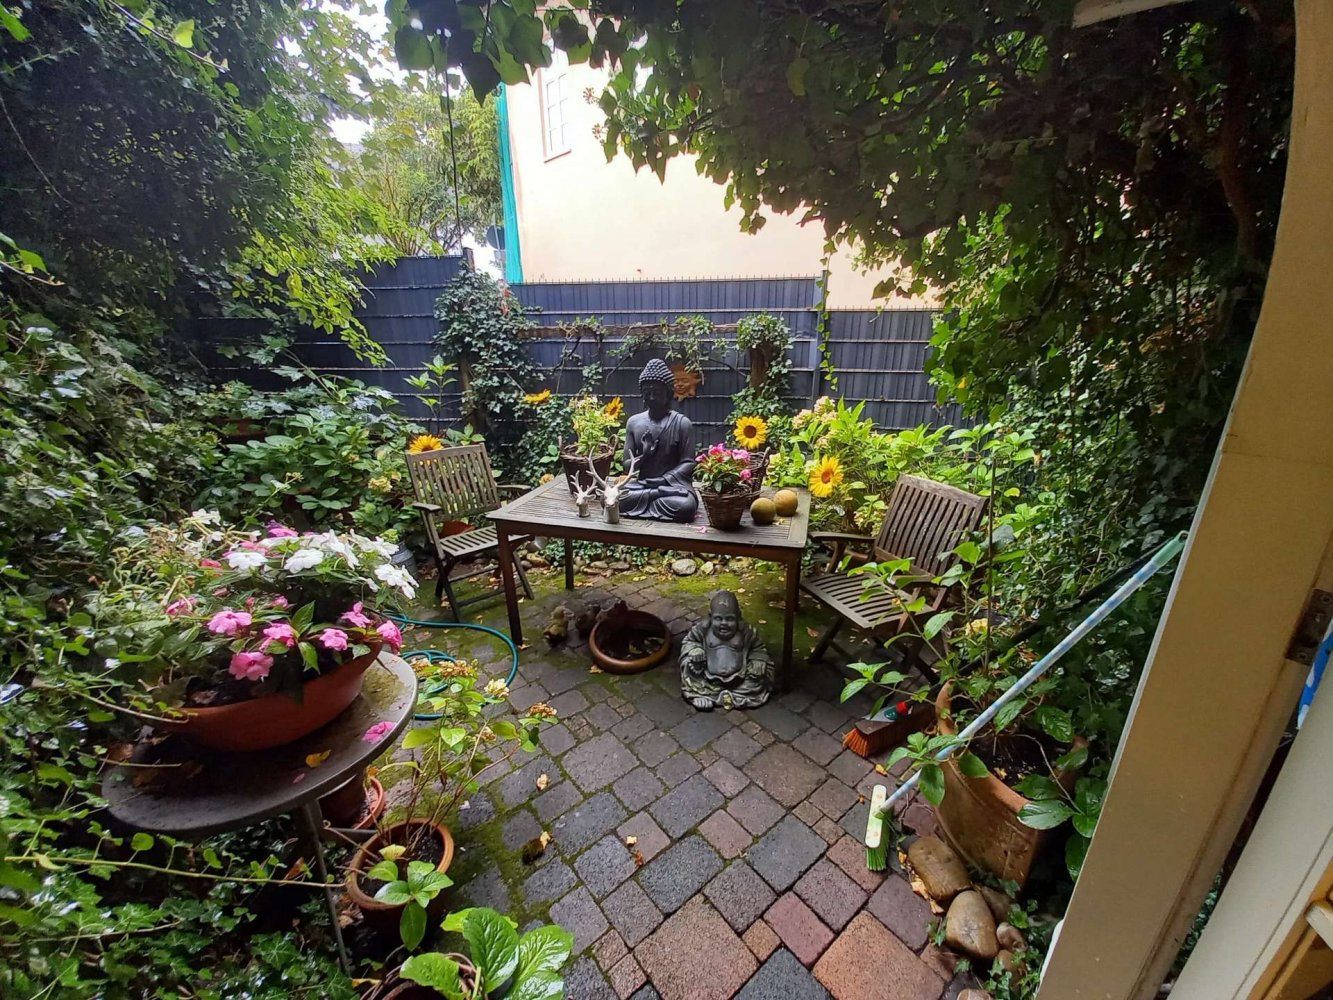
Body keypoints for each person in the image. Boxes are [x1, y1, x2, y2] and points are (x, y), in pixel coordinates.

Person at [618, 359, 698, 522]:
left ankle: (656, 494)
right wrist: (645, 455)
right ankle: (656, 494)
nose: (651, 397)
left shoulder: (682, 423)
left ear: (668, 393)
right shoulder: (634, 422)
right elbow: (627, 465)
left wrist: (663, 480)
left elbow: (688, 462)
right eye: (647, 392)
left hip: (673, 485)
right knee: (613, 498)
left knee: (686, 505)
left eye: (657, 392)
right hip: (644, 484)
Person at [679, 591, 774, 710]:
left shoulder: (746, 632)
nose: (724, 623)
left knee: (762, 671)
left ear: (738, 616)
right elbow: (689, 641)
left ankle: (734, 696)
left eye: (730, 619)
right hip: (707, 679)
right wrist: (695, 649)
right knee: (688, 662)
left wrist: (757, 659)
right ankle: (700, 694)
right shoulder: (702, 630)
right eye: (718, 618)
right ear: (710, 616)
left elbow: (758, 647)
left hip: (739, 679)